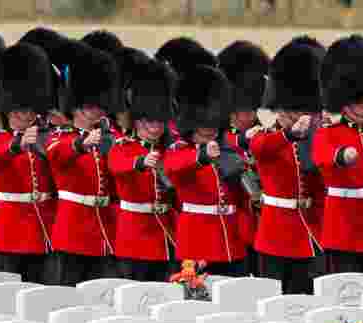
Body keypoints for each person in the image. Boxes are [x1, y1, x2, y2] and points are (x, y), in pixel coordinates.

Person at [247, 38, 325, 294]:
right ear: (279, 109)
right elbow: (261, 149)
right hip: (276, 235)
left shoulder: (318, 137)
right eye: (290, 109)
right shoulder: (265, 136)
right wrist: (290, 135)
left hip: (311, 231)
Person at [312, 35, 363, 276]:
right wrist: (343, 155)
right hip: (344, 225)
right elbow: (322, 156)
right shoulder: (329, 132)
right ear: (344, 104)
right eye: (360, 103)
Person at [45, 42, 120, 286]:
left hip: (103, 227)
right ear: (76, 106)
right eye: (90, 106)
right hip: (73, 228)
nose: (96, 110)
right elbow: (56, 154)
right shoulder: (62, 136)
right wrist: (81, 145)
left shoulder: (110, 138)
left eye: (99, 105)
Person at [0, 43, 56, 284]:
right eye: (18, 112)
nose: (25, 116)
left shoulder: (48, 136)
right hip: (11, 228)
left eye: (29, 111)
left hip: (44, 225)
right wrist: (18, 145)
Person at [163, 65, 247, 276]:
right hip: (198, 241)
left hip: (230, 240)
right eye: (204, 125)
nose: (210, 129)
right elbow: (173, 167)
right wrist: (202, 156)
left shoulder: (229, 149)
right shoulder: (180, 150)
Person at [108, 56, 177, 282]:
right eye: (150, 121)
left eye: (160, 121)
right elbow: (116, 166)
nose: (156, 127)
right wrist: (139, 163)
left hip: (165, 235)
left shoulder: (171, 149)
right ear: (138, 121)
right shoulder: (124, 147)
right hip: (134, 237)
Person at [218, 40, 270, 277]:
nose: (247, 116)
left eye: (251, 111)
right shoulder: (220, 136)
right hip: (232, 223)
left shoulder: (264, 132)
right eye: (242, 111)